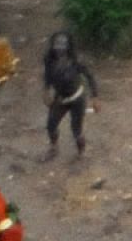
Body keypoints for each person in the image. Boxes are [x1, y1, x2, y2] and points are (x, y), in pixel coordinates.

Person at [42, 31, 99, 160]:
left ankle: (81, 154)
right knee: (51, 124)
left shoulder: (76, 61)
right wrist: (46, 90)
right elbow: (47, 76)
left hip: (77, 99)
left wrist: (95, 97)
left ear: (68, 47)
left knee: (76, 129)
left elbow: (89, 77)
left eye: (63, 45)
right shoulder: (49, 60)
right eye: (57, 45)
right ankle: (53, 147)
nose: (59, 49)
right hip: (61, 98)